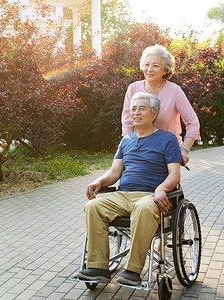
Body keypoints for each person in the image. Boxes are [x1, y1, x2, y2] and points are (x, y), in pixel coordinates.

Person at [78, 92, 182, 285]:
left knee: (142, 207)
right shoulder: (126, 141)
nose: (136, 113)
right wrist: (99, 182)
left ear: (154, 113)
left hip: (150, 196)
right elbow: (114, 172)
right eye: (133, 109)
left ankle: (133, 271)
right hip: (123, 195)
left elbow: (174, 174)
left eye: (142, 108)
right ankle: (98, 267)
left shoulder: (167, 139)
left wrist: (161, 189)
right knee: (93, 206)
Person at [121, 45, 200, 167]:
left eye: (155, 66)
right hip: (139, 152)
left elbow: (193, 123)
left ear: (165, 70)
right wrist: (128, 149)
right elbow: (127, 123)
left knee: (166, 185)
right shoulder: (133, 89)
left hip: (167, 154)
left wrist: (184, 150)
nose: (149, 69)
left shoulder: (174, 91)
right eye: (147, 64)